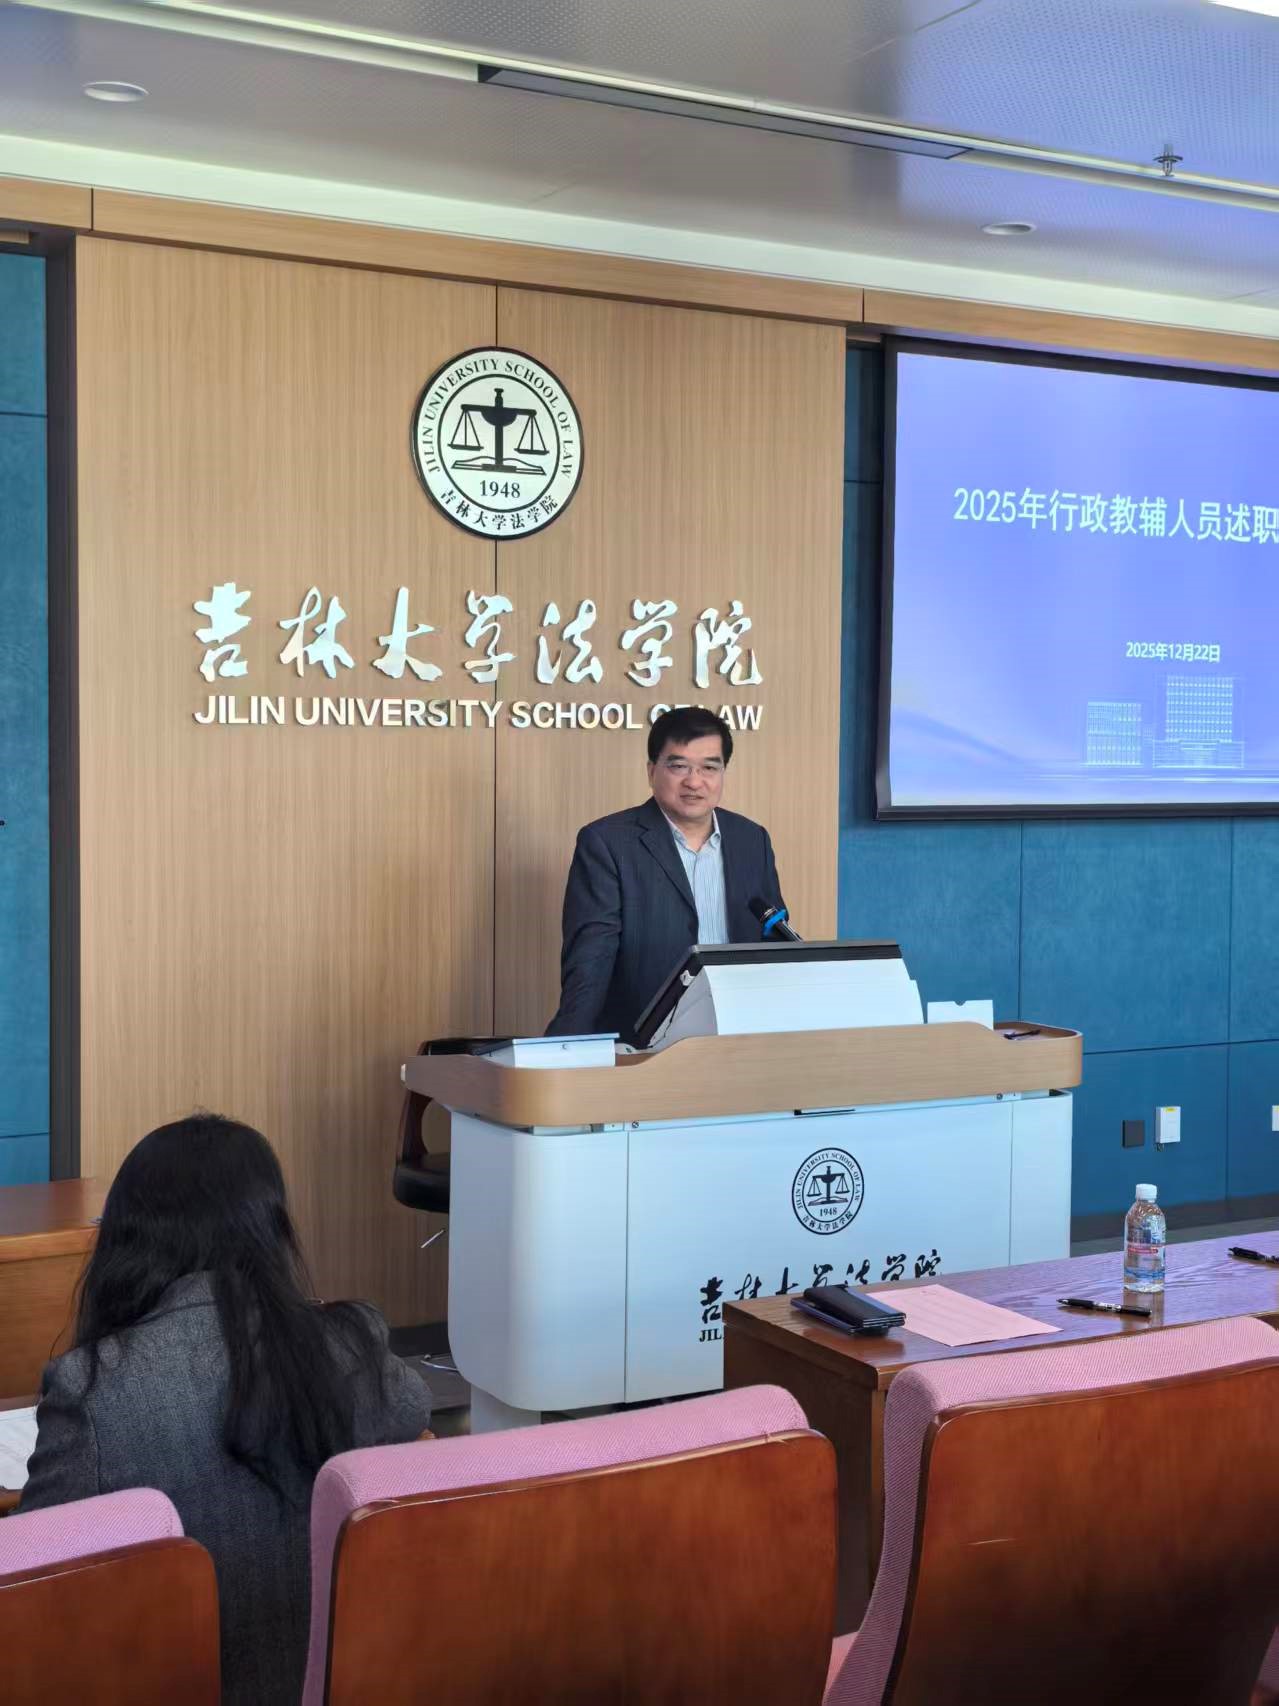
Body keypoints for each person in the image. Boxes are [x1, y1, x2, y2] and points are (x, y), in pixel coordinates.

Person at [19, 1113, 431, 1706]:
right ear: (270, 1230)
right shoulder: (351, 1342)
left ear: (129, 1241)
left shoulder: (91, 1389)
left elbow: (28, 1582)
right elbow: (418, 1424)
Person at [547, 705, 786, 1042]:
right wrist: (565, 1048)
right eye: (678, 766)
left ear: (723, 772)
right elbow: (591, 962)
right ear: (651, 771)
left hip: (738, 1034)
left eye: (709, 767)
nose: (694, 781)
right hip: (645, 1041)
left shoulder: (751, 839)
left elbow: (774, 944)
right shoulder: (607, 843)